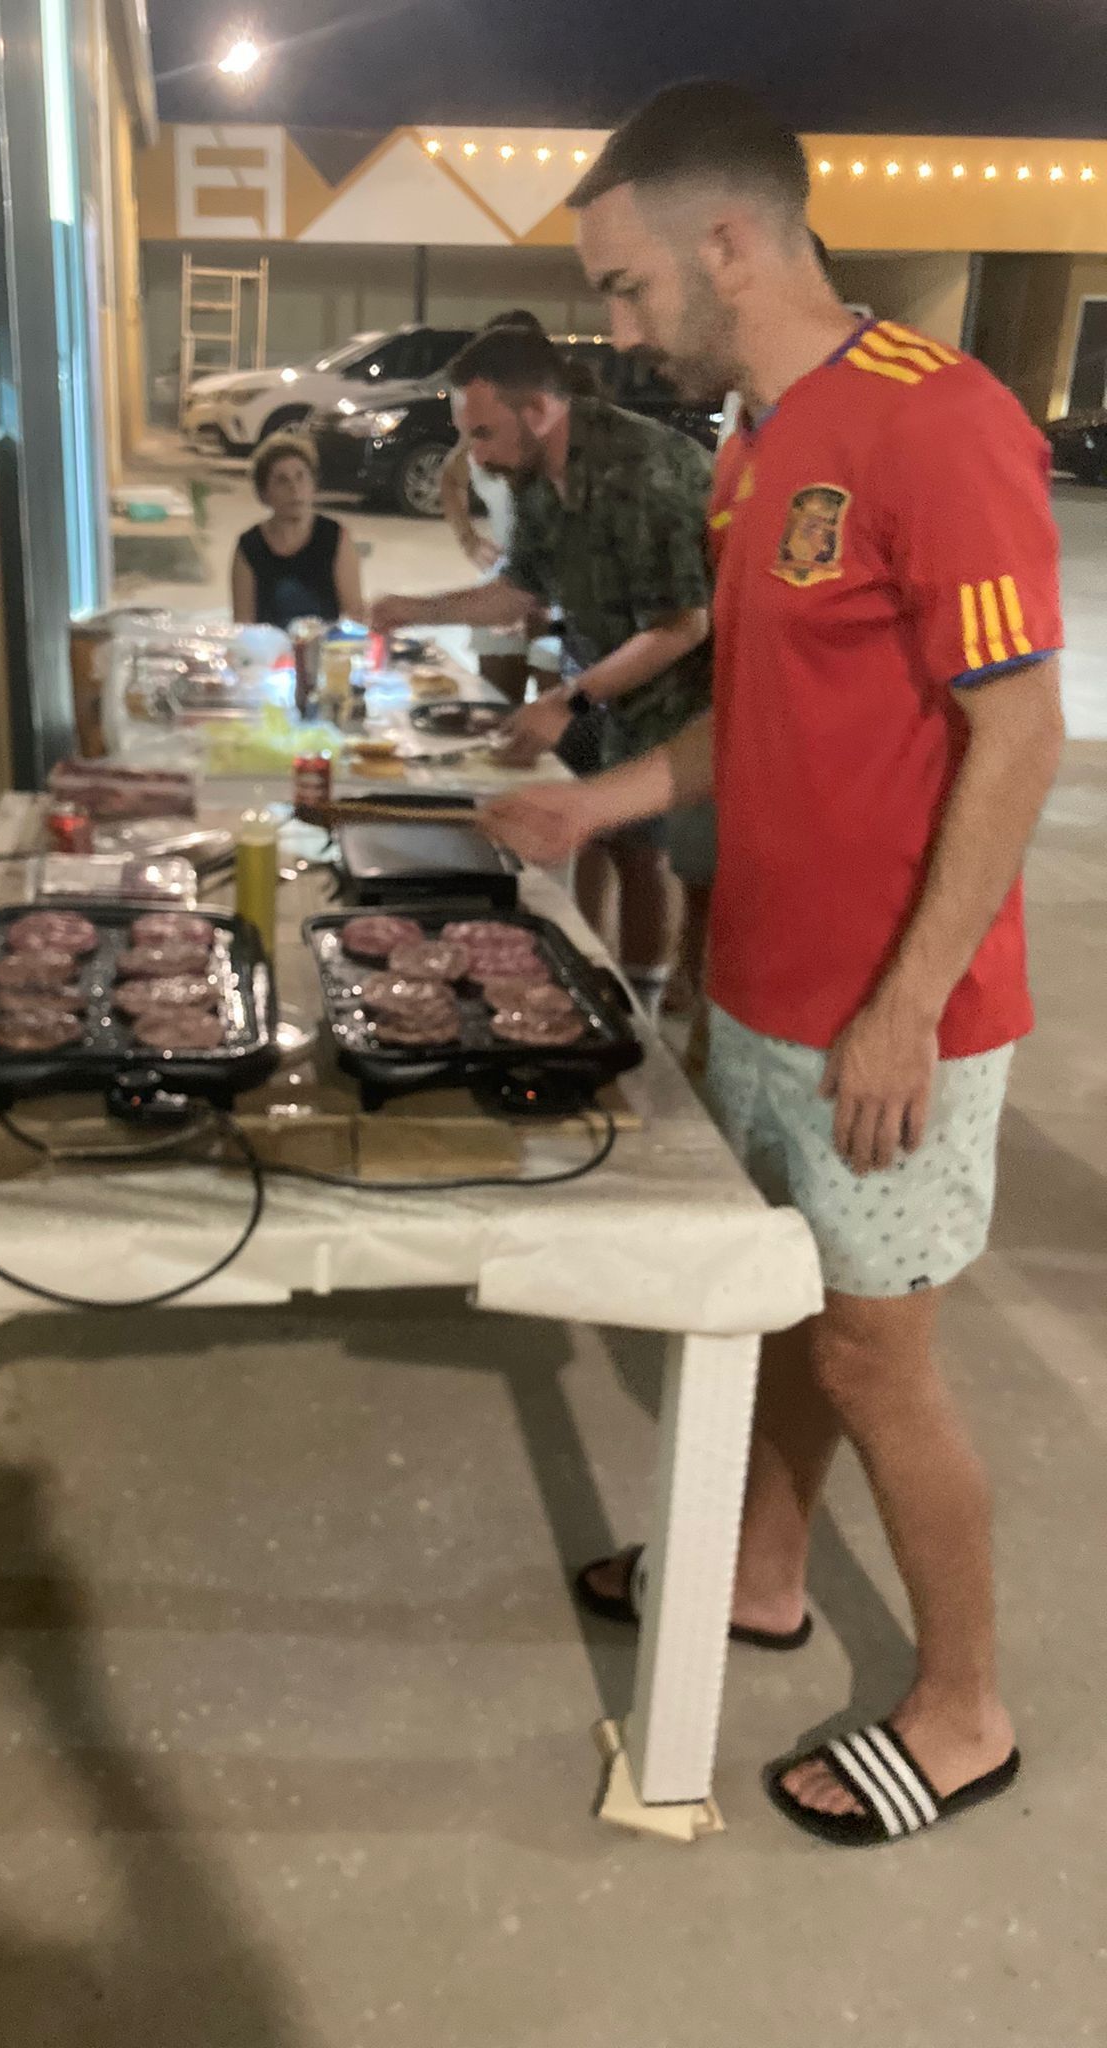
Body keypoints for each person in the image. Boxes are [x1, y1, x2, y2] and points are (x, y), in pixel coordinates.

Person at [482, 81, 1065, 1848]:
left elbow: (1021, 731)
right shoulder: (753, 447)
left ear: (727, 239)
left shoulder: (937, 423)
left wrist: (899, 1002)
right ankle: (758, 1568)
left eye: (625, 283)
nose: (612, 322)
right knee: (782, 1305)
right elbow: (761, 716)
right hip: (760, 980)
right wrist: (600, 802)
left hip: (903, 1010)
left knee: (879, 1356)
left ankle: (965, 1702)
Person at [370, 324, 713, 1009]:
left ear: (539, 411)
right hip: (603, 680)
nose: (475, 454)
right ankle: (593, 972)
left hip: (680, 698)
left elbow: (683, 626)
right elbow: (519, 591)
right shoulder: (531, 475)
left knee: (638, 854)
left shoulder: (639, 472)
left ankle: (641, 1008)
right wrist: (413, 608)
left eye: (485, 432)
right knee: (583, 826)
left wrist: (569, 702)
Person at [438, 310, 549, 705]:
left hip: (564, 590)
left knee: (567, 719)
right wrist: (467, 538)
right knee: (497, 710)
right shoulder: (482, 425)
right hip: (504, 580)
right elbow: (451, 477)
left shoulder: (561, 431)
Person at [232, 431, 364, 631]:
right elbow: (243, 625)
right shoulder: (250, 546)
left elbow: (354, 615)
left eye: (301, 477)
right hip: (270, 654)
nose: (294, 489)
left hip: (326, 651)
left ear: (313, 485)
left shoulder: (334, 536)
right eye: (282, 480)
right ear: (264, 494)